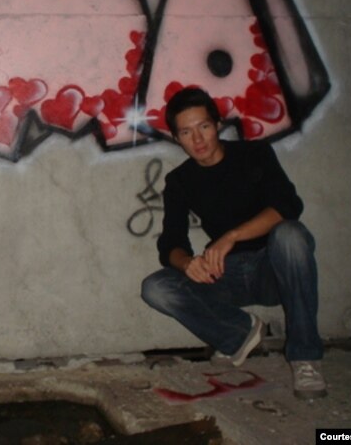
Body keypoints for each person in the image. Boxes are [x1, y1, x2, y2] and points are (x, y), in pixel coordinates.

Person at [140, 87, 326, 399]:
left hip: (272, 268)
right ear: (177, 138)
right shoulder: (180, 181)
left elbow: (287, 205)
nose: (197, 139)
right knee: (156, 288)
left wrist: (231, 236)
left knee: (290, 235)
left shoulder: (254, 154)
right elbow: (170, 242)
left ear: (217, 125)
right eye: (186, 132)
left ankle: (305, 357)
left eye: (204, 127)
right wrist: (187, 263)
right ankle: (240, 333)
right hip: (225, 275)